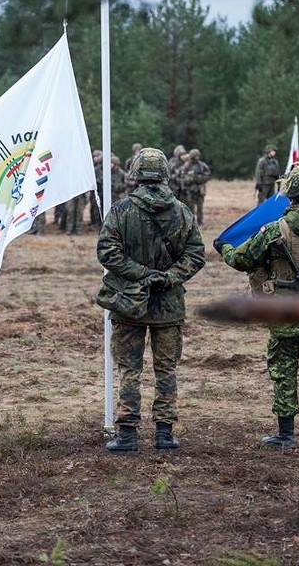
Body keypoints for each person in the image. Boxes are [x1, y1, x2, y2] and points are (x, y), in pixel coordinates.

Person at [213, 162, 299, 449]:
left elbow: (241, 260)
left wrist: (223, 246)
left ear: (289, 196)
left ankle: (285, 435)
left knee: (284, 372)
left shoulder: (275, 230)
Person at [97, 148, 206, 453]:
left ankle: (128, 436)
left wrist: (140, 274)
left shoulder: (121, 211)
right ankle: (164, 434)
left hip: (129, 303)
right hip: (168, 305)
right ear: (165, 175)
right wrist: (167, 277)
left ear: (134, 175)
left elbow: (107, 252)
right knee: (166, 369)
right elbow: (196, 255)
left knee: (129, 369)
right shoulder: (182, 211)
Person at [179, 148, 211, 226]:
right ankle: (191, 222)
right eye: (196, 156)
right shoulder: (186, 166)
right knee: (190, 207)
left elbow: (207, 175)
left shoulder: (202, 165)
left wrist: (197, 177)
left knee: (200, 207)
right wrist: (190, 178)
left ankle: (200, 220)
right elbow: (182, 177)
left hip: (200, 190)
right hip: (190, 190)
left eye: (198, 156)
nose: (197, 157)